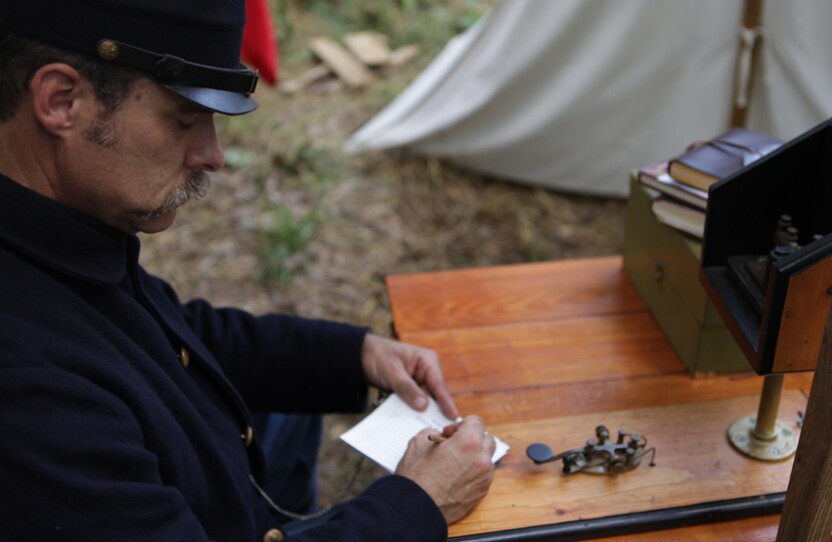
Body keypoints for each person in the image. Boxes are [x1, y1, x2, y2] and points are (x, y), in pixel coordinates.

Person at [0, 1, 496, 541]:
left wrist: (350, 358)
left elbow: (159, 338)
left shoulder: (55, 226)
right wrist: (416, 505)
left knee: (291, 414)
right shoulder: (29, 392)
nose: (212, 154)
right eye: (184, 120)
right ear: (61, 101)